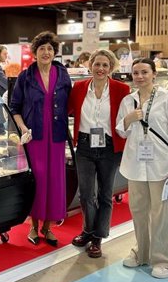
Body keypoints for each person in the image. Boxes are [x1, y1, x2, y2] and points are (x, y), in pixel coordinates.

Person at [116, 58, 168, 279]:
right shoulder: (128, 101)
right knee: (139, 211)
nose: (139, 76)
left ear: (154, 74)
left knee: (163, 213)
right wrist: (128, 119)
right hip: (135, 165)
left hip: (162, 164)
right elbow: (121, 131)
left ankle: (164, 259)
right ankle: (142, 253)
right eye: (135, 72)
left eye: (144, 72)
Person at [10, 31, 71, 247]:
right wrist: (23, 127)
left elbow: (70, 103)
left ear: (55, 52)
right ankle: (34, 227)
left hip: (56, 136)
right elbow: (14, 108)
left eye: (50, 49)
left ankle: (48, 227)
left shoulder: (63, 75)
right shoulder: (25, 77)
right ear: (35, 52)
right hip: (33, 137)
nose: (46, 52)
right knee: (38, 180)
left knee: (54, 181)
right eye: (42, 48)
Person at [68, 50, 131, 258]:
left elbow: (127, 117)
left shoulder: (121, 89)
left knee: (105, 194)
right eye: (97, 64)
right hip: (85, 145)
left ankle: (98, 238)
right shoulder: (78, 87)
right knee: (86, 194)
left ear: (111, 68)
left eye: (105, 65)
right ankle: (87, 231)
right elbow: (65, 110)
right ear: (90, 66)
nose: (101, 69)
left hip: (110, 147)